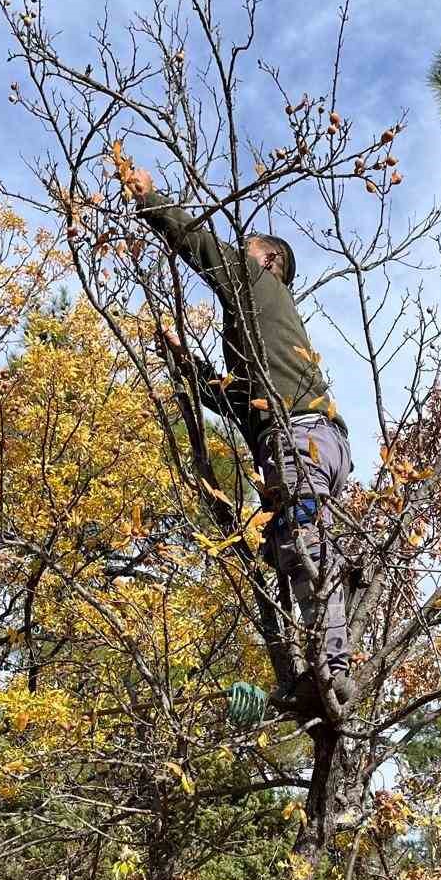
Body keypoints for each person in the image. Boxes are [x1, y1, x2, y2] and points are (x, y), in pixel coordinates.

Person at [129, 169, 354, 714]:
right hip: (303, 437)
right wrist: (187, 364)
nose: (237, 253)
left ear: (267, 261)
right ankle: (315, 678)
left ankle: (333, 670)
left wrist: (150, 200)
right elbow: (239, 403)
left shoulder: (261, 285)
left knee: (306, 545)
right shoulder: (257, 338)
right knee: (290, 544)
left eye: (246, 250)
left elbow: (204, 248)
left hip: (301, 436)